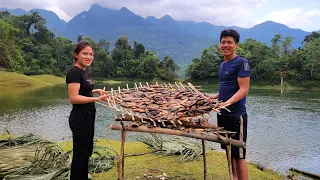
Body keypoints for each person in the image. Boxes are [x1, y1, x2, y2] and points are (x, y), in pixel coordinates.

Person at [209, 29, 250, 180]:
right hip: (223, 114)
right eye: (223, 42)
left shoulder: (241, 63)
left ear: (236, 45)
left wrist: (228, 102)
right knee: (229, 151)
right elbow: (226, 88)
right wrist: (214, 97)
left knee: (239, 154)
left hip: (235, 116)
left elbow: (244, 90)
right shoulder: (223, 65)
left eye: (229, 42)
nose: (225, 45)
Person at [66, 41, 109, 180]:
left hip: (88, 116)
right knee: (80, 154)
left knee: (86, 152)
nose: (89, 57)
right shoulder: (74, 72)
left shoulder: (84, 72)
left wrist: (95, 91)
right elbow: (74, 98)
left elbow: (84, 90)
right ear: (76, 55)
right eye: (85, 53)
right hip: (80, 117)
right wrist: (96, 99)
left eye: (91, 54)